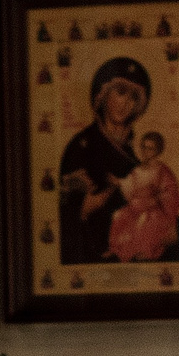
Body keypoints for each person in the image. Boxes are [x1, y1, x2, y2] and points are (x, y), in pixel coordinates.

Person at [57, 56, 152, 264]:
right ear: (103, 94)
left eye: (134, 98)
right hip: (93, 255)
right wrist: (83, 207)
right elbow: (62, 210)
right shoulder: (81, 147)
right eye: (120, 93)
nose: (126, 104)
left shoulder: (134, 156)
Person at [106, 129, 179, 262]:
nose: (146, 151)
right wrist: (118, 182)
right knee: (118, 215)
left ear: (157, 151)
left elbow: (170, 192)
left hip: (154, 210)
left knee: (143, 220)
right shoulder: (137, 170)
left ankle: (145, 251)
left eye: (150, 149)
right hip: (135, 207)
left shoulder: (162, 170)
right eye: (144, 147)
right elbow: (129, 185)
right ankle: (116, 249)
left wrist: (155, 199)